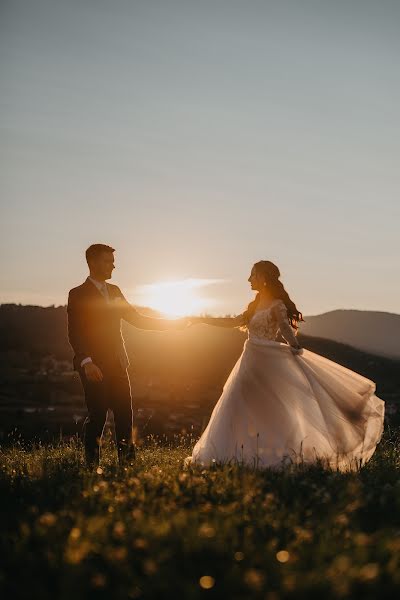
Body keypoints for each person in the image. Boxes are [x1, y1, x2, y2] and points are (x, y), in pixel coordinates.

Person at [187, 260, 385, 472]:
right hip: (249, 361)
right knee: (238, 405)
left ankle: (271, 455)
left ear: (263, 278)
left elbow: (285, 330)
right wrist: (201, 319)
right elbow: (232, 322)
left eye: (252, 275)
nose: (249, 279)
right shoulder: (254, 306)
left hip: (268, 362)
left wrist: (296, 348)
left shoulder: (277, 305)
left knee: (269, 410)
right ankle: (232, 454)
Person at [67, 243, 187, 468]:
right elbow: (75, 333)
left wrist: (174, 324)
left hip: (117, 363)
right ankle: (92, 466)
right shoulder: (77, 294)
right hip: (93, 365)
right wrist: (86, 361)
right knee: (98, 414)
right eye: (108, 261)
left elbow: (137, 319)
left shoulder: (115, 291)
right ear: (93, 263)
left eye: (113, 261)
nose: (114, 265)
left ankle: (127, 465)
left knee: (125, 413)